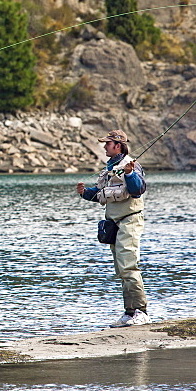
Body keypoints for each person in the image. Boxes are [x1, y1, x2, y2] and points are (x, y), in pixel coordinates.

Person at [75, 129, 149, 327]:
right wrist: (84, 193)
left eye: (107, 144)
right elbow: (101, 193)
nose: (104, 147)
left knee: (129, 266)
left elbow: (137, 190)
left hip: (130, 220)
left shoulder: (131, 166)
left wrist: (130, 173)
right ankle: (129, 312)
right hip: (114, 222)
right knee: (121, 269)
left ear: (118, 145)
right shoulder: (110, 168)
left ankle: (141, 312)